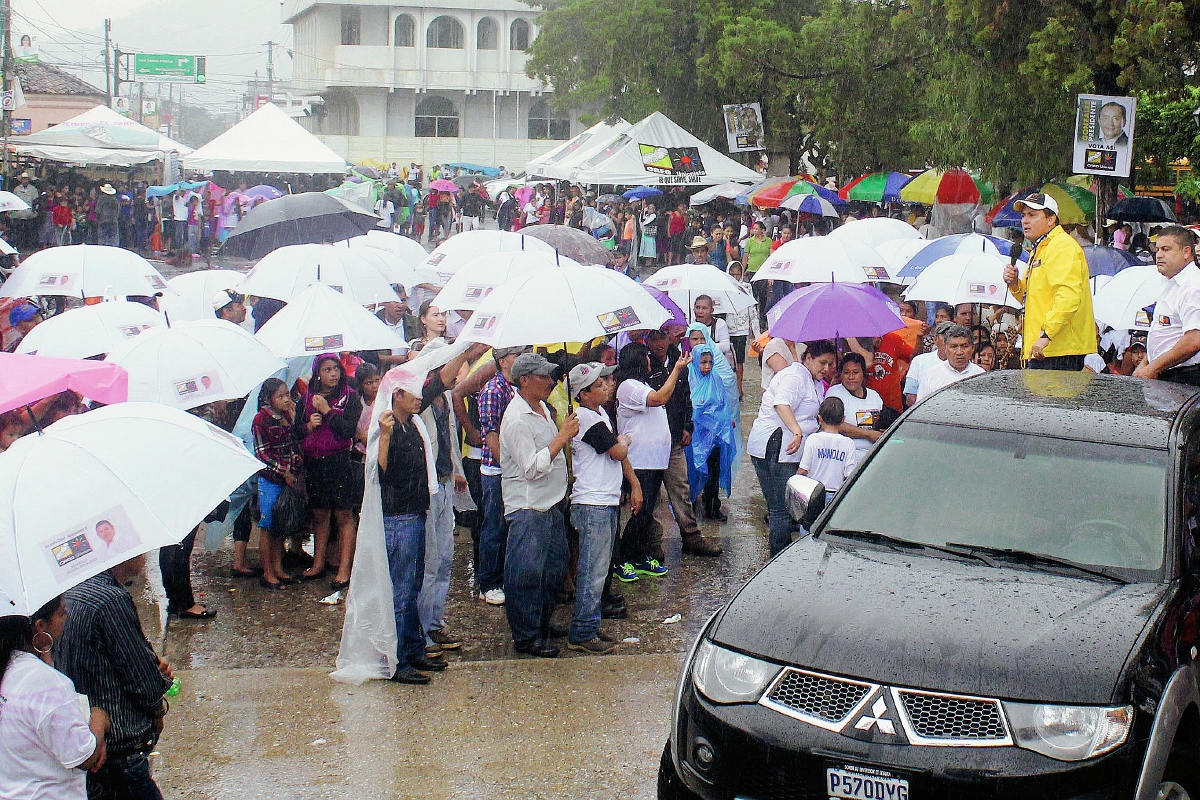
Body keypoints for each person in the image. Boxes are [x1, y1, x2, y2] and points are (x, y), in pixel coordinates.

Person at [55, 556, 174, 800]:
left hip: (85, 741)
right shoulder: (110, 601)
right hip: (118, 751)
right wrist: (157, 698)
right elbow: (143, 684)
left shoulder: (69, 591)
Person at [498, 353, 579, 659]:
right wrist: (562, 436)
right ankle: (526, 635)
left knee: (552, 571)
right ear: (525, 381)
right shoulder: (517, 419)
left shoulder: (542, 407)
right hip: (529, 508)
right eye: (543, 376)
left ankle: (542, 624)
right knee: (527, 574)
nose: (550, 381)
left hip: (552, 502)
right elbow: (531, 467)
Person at [0, 595, 110, 799]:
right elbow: (83, 756)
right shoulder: (47, 683)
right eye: (61, 612)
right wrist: (100, 718)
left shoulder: (10, 669)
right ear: (40, 626)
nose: (66, 617)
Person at [567, 361, 639, 654]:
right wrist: (623, 440)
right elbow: (617, 451)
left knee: (601, 568)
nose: (608, 386)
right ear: (583, 394)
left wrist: (633, 484)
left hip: (605, 499)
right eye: (599, 384)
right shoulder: (585, 418)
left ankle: (591, 623)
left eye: (606, 381)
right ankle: (582, 630)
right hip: (592, 502)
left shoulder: (600, 415)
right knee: (592, 569)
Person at [377, 382, 447, 685]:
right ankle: (396, 660)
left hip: (416, 512)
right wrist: (384, 437)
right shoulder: (388, 427)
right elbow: (379, 474)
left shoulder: (415, 424)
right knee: (401, 590)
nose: (419, 398)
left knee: (414, 585)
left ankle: (413, 647)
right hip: (398, 516)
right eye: (412, 393)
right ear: (397, 395)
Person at [747, 340, 837, 556]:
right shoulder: (795, 376)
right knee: (782, 510)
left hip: (786, 448)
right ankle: (778, 560)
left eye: (830, 364)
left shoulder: (812, 379)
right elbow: (781, 403)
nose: (825, 369)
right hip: (777, 445)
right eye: (822, 363)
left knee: (787, 510)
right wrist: (797, 431)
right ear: (807, 358)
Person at [614, 343, 692, 582]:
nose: (650, 362)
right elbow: (659, 399)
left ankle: (639, 555)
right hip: (640, 460)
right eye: (646, 358)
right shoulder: (628, 387)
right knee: (639, 511)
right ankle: (622, 558)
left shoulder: (641, 385)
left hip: (654, 460)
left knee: (647, 511)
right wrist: (677, 370)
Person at [646, 328, 722, 554]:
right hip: (651, 439)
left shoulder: (679, 360)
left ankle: (691, 536)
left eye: (662, 337)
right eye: (653, 339)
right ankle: (651, 542)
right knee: (651, 495)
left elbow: (684, 396)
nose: (659, 344)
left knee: (681, 489)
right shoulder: (645, 365)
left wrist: (687, 426)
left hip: (675, 438)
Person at [1002, 192, 1095, 370]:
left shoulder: (1062, 246)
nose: (1025, 221)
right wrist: (1015, 285)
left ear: (1051, 219)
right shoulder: (1040, 248)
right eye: (1023, 216)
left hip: (1059, 349)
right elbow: (1032, 300)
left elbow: (1068, 297)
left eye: (1032, 215)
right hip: (1044, 348)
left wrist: (1046, 335)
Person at [297, 354, 362, 588]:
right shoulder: (306, 399)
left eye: (336, 368)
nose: (333, 373)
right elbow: (297, 432)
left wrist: (327, 411)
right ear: (318, 373)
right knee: (319, 514)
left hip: (339, 460)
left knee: (344, 514)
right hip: (314, 461)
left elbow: (347, 431)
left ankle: (344, 568)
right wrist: (307, 426)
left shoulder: (350, 397)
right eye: (327, 369)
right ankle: (318, 562)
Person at [476, 345, 525, 605]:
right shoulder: (493, 391)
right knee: (494, 526)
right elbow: (490, 433)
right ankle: (489, 581)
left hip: (513, 469)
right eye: (517, 356)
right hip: (497, 471)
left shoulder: (516, 388)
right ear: (503, 360)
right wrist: (507, 465)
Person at [252, 378, 304, 589]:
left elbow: (292, 444)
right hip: (270, 479)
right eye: (280, 396)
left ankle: (278, 566)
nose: (285, 399)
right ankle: (267, 572)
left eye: (287, 395)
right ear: (269, 398)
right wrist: (284, 471)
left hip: (288, 477)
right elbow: (262, 454)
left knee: (280, 523)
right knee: (268, 524)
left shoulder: (286, 416)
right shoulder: (261, 420)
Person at [1135, 226, 1200, 385]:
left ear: (1186, 252)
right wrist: (1146, 362)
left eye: (1166, 249)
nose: (1159, 255)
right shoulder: (1170, 281)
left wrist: (1153, 368)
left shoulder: (1193, 287)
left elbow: (1194, 340)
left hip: (1185, 377)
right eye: (1157, 249)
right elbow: (1166, 333)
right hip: (1166, 373)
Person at [686, 343, 739, 523]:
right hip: (695, 436)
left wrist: (724, 420)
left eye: (710, 362)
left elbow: (723, 402)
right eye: (703, 362)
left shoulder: (715, 378)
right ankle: (690, 504)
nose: (707, 366)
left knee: (713, 472)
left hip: (715, 435)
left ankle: (712, 505)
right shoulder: (688, 377)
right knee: (693, 471)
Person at [797, 397, 859, 504]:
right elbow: (849, 475)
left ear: (820, 418)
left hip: (813, 493)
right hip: (836, 495)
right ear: (843, 419)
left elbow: (803, 470)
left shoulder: (813, 439)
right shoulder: (848, 443)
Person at [826, 353, 884, 455]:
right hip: (845, 455)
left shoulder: (874, 396)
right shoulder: (835, 393)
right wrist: (869, 434)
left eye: (855, 372)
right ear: (841, 374)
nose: (851, 377)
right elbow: (836, 425)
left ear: (863, 374)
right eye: (846, 372)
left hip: (873, 455)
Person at [916, 324, 984, 402]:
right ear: (945, 348)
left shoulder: (981, 375)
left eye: (964, 346)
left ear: (972, 348)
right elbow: (922, 409)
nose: (959, 352)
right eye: (954, 346)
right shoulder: (930, 375)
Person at [724, 261, 760, 397]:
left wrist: (757, 334)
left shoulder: (746, 287)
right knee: (727, 358)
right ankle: (729, 386)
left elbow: (752, 309)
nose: (735, 277)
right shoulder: (724, 287)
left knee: (739, 359)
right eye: (732, 274)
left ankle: (739, 387)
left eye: (737, 275)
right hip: (728, 327)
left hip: (742, 328)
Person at [903, 321, 954, 406]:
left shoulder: (965, 364)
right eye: (945, 335)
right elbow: (911, 397)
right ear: (935, 340)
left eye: (952, 336)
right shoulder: (919, 361)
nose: (948, 339)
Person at [693, 294, 733, 365]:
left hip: (718, 365)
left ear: (712, 310)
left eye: (704, 308)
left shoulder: (719, 323)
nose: (700, 311)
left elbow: (726, 346)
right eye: (697, 307)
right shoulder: (691, 325)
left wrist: (702, 346)